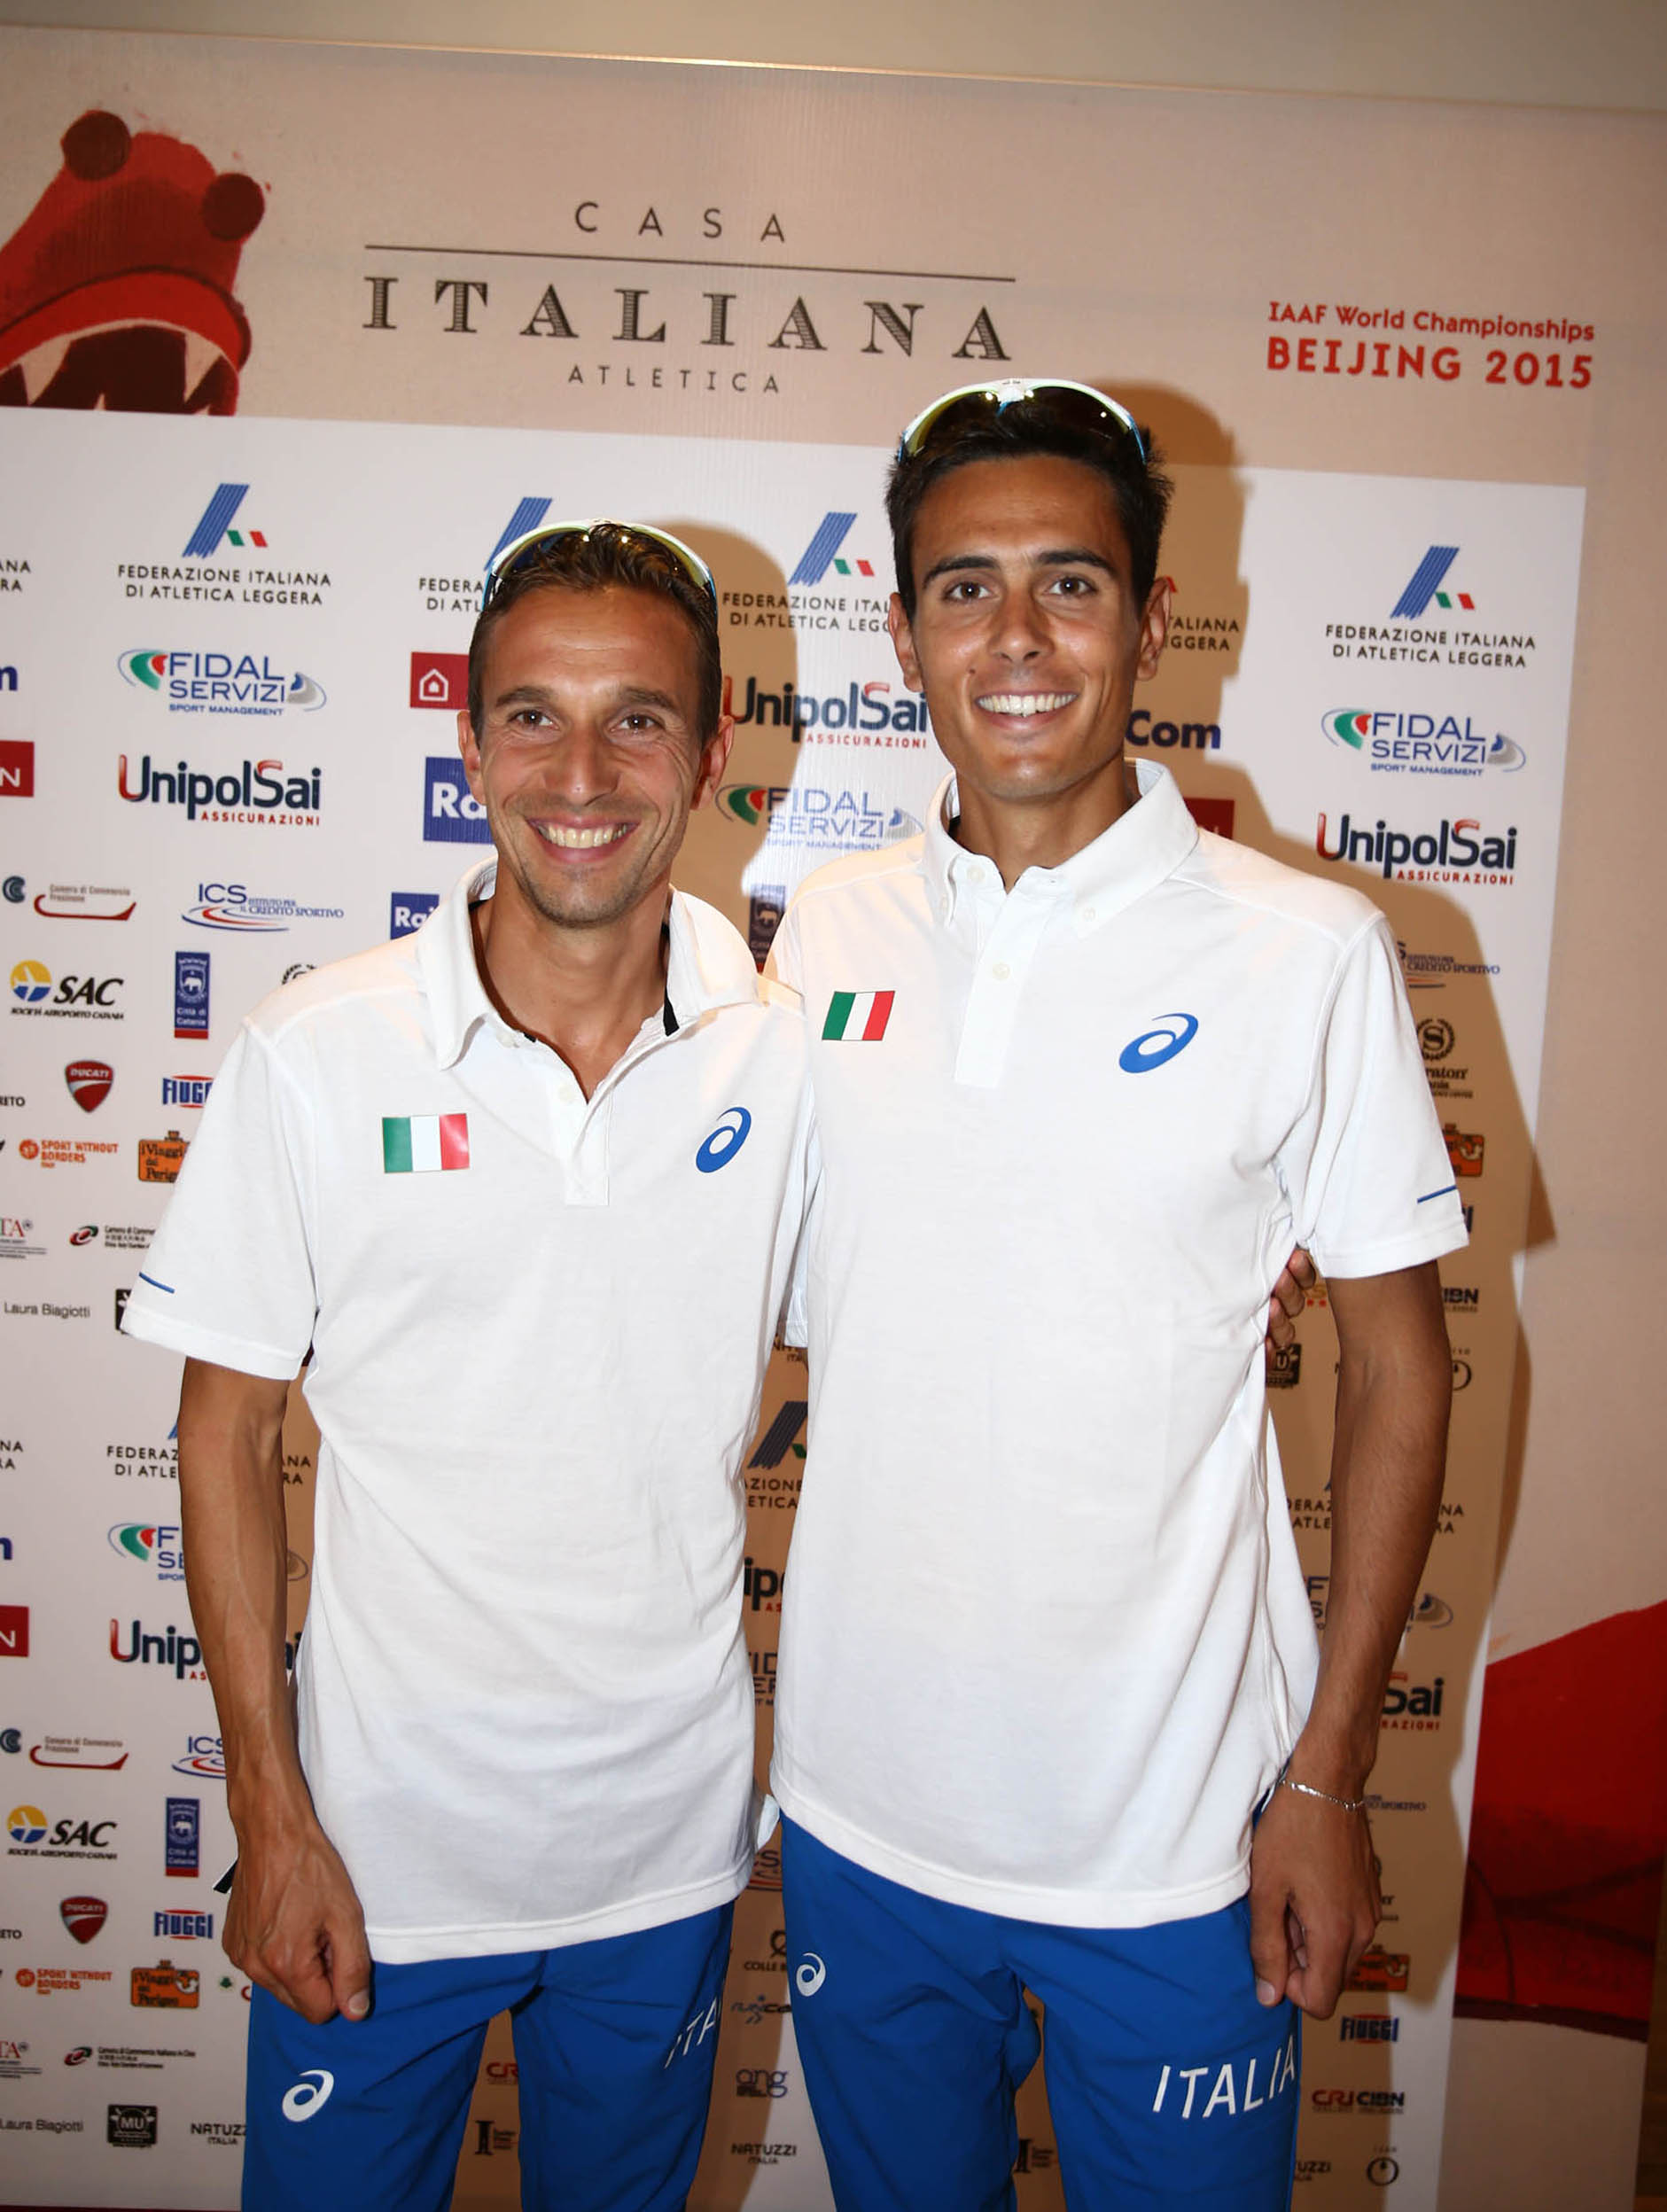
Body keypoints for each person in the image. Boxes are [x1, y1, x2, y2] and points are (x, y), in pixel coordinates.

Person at [766, 378, 1465, 2210]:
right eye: (963, 588)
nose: (1014, 640)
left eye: (1067, 585)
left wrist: (1327, 1781)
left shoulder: (1307, 950)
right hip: (860, 1817)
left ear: (1152, 623)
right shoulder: (821, 931)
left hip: (1179, 1841)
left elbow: (1403, 1372)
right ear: (901, 630)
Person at [120, 523, 814, 2212]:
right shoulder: (313, 1047)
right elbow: (223, 1439)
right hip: (372, 1861)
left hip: (662, 1857)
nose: (580, 776)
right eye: (531, 717)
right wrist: (270, 1818)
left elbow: (958, 1294)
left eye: (636, 719)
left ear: (711, 751)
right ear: (469, 739)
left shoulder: (791, 1054)